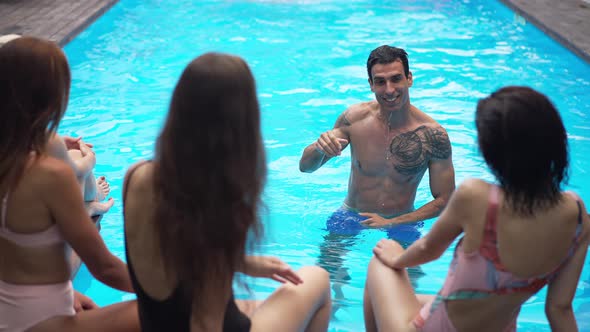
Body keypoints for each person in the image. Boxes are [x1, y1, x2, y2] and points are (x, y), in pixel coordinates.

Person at [123, 52, 332, 331]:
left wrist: (241, 263)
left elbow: (175, 258)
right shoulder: (213, 201)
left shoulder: (136, 176)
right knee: (317, 280)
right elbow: (206, 323)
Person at [363, 86, 590, 332]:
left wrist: (397, 258)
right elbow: (559, 309)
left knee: (383, 259)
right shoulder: (578, 215)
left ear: (492, 152)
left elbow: (429, 249)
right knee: (420, 299)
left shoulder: (478, 197)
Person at [0, 36, 138, 332]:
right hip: (42, 323)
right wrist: (169, 291)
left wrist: (65, 293)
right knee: (164, 311)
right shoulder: (50, 174)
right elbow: (106, 268)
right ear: (50, 98)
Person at [299, 45, 455, 304]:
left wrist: (391, 222)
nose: (389, 90)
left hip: (403, 220)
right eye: (380, 82)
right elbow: (306, 167)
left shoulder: (432, 135)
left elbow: (446, 200)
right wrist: (318, 147)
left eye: (396, 79)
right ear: (370, 84)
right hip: (350, 215)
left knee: (408, 295)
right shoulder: (354, 119)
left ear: (409, 78)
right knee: (324, 284)